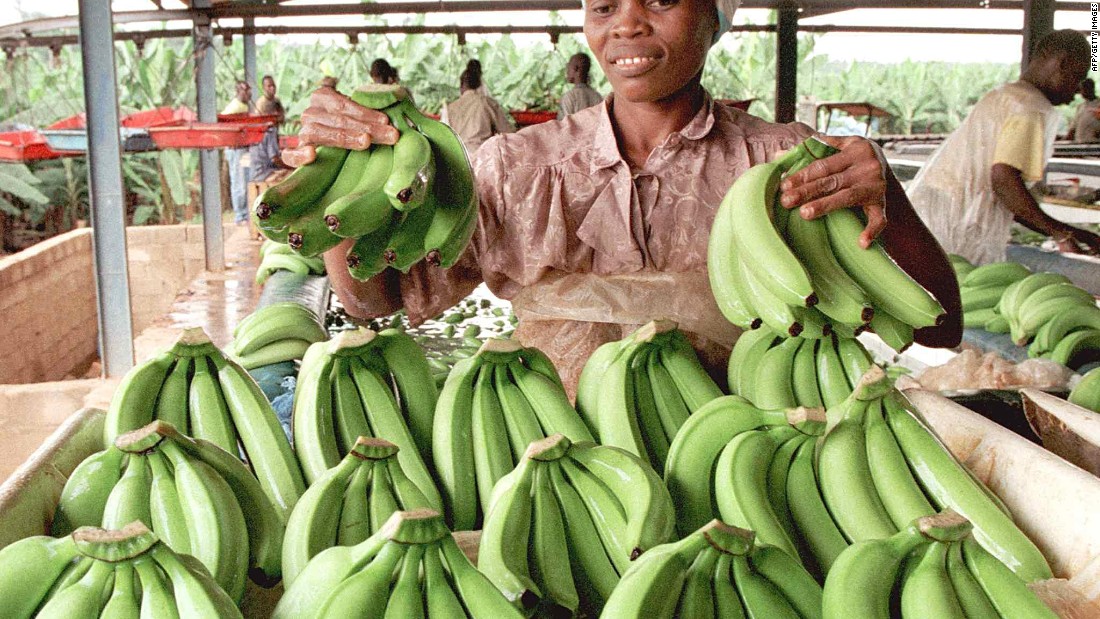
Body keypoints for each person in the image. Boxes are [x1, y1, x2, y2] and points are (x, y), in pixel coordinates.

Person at [283, 0, 961, 396]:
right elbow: (374, 299)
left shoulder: (785, 167)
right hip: (554, 466)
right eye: (605, 5)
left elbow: (937, 327)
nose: (627, 24)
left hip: (747, 457)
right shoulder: (515, 168)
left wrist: (889, 201)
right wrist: (345, 184)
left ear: (715, 14)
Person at [908, 30, 1100, 264]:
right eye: (1077, 77)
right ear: (1062, 63)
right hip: (955, 231)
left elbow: (1009, 194)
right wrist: (1061, 233)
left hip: (929, 221)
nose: (1078, 91)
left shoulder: (1007, 95)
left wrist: (1075, 233)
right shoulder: (1031, 108)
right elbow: (1005, 182)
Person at [439, 60, 515, 156]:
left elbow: (443, 139)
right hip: (483, 158)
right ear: (480, 84)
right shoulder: (487, 102)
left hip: (458, 160)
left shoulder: (449, 108)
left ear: (461, 86)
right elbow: (508, 132)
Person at [222, 80, 256, 223]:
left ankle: (245, 214)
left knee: (245, 181)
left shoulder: (244, 106)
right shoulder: (235, 107)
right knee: (239, 183)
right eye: (245, 90)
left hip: (242, 147)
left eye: (249, 90)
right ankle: (240, 215)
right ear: (238, 91)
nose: (248, 93)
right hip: (235, 149)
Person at [558, 53, 603, 119]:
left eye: (568, 67)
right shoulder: (597, 96)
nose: (567, 72)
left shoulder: (569, 97)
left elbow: (565, 126)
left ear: (575, 69)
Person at [1069, 78, 1100, 143]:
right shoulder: (1080, 107)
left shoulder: (1098, 105)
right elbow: (1073, 128)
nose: (1081, 92)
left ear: (1090, 89)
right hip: (1079, 145)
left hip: (1095, 145)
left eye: (1082, 89)